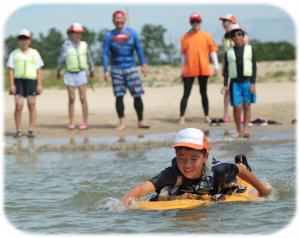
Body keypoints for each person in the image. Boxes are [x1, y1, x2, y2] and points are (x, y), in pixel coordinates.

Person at [122, 128, 272, 206]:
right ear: (175, 154)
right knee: (162, 194)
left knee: (232, 178)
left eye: (194, 158)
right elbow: (141, 189)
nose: (187, 165)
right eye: (181, 158)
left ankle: (242, 159)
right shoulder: (171, 174)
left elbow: (241, 170)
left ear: (205, 156)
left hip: (222, 182)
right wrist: (123, 204)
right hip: (192, 189)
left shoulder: (218, 170)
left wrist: (263, 190)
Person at [102, 10, 149, 130]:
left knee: (137, 95)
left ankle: (141, 121)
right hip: (116, 69)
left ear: (124, 20)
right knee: (119, 96)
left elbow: (139, 49)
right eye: (116, 19)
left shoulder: (132, 33)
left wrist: (143, 64)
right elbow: (105, 54)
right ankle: (122, 122)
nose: (119, 21)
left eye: (121, 18)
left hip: (131, 67)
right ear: (113, 21)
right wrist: (106, 70)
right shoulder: (109, 35)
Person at [179, 13, 219, 125]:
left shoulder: (206, 36)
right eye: (193, 21)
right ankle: (182, 117)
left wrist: (216, 66)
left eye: (197, 21)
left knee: (203, 93)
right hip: (189, 69)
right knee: (186, 93)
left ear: (200, 22)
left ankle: (206, 116)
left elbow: (212, 51)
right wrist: (182, 68)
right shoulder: (185, 37)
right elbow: (183, 54)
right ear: (190, 23)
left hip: (203, 68)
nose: (195, 23)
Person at [6, 29, 44, 138]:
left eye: (26, 39)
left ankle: (31, 129)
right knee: (18, 106)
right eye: (21, 39)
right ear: (19, 40)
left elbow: (39, 70)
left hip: (31, 81)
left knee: (32, 105)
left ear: (30, 40)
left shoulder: (35, 53)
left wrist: (39, 84)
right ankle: (18, 130)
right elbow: (11, 70)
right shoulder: (14, 53)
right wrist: (11, 84)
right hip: (18, 82)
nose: (24, 41)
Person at [57, 22, 94, 130]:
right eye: (75, 33)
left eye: (80, 33)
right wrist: (58, 71)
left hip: (81, 73)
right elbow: (60, 60)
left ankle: (85, 122)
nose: (78, 35)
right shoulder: (65, 46)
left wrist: (91, 69)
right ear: (70, 34)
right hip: (69, 74)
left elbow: (89, 58)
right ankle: (71, 122)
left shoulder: (84, 45)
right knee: (72, 98)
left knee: (83, 98)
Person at [221, 24, 257, 138]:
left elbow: (254, 67)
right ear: (231, 38)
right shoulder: (228, 53)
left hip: (247, 82)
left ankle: (245, 130)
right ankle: (238, 130)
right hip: (235, 84)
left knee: (247, 106)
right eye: (234, 35)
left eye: (239, 34)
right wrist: (225, 85)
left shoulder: (250, 49)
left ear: (243, 36)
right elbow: (226, 70)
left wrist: (253, 83)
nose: (237, 36)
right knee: (236, 107)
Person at [219, 14, 249, 123]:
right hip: (229, 66)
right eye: (223, 21)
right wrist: (222, 67)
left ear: (232, 22)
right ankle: (226, 114)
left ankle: (240, 114)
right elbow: (224, 54)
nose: (223, 23)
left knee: (239, 90)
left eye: (226, 21)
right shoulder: (224, 37)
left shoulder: (241, 34)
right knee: (227, 89)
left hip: (240, 67)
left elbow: (247, 52)